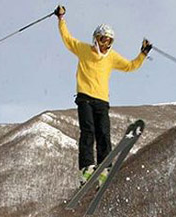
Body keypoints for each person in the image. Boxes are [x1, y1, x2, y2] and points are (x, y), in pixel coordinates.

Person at [54, 5, 152, 185]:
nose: (105, 44)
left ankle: (104, 169)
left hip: (102, 101)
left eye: (109, 41)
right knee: (88, 131)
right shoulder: (83, 50)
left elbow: (130, 66)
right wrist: (61, 19)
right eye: (102, 40)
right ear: (96, 39)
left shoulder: (112, 57)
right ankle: (86, 168)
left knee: (104, 134)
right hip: (84, 98)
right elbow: (67, 38)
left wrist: (143, 54)